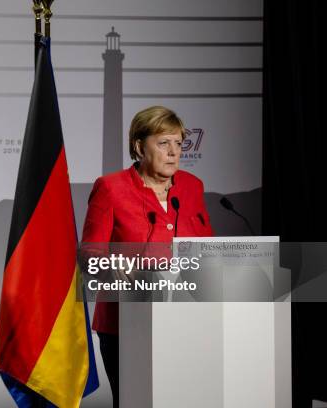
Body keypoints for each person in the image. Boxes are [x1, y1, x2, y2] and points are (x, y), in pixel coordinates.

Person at [81, 106, 213, 407]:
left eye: (179, 144)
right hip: (125, 322)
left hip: (185, 321)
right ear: (140, 147)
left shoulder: (192, 187)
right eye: (164, 143)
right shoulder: (110, 188)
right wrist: (111, 264)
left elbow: (206, 248)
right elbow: (89, 253)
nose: (174, 152)